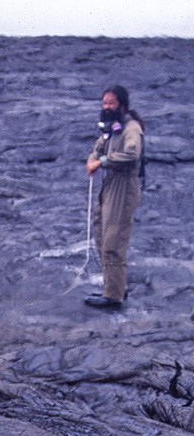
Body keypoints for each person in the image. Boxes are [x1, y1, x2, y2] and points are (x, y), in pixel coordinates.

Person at [84, 84, 145, 310]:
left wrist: (103, 162)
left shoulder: (131, 128)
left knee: (113, 240)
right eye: (104, 103)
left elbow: (131, 154)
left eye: (111, 103)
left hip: (124, 186)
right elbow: (99, 146)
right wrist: (93, 160)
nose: (106, 107)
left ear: (122, 104)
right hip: (109, 185)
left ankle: (114, 296)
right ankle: (117, 286)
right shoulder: (112, 127)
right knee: (100, 232)